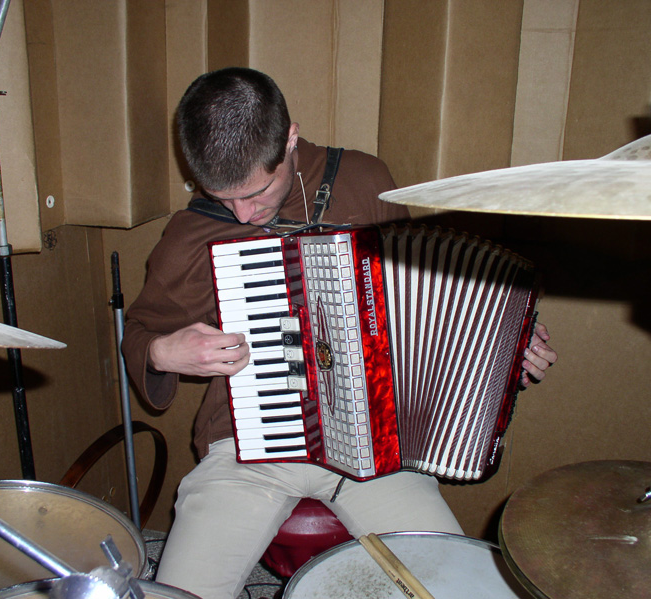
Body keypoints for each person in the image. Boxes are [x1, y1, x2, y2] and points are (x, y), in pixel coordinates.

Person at [122, 67, 557, 599]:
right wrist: (164, 352)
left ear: (290, 139)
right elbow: (141, 329)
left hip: (376, 446)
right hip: (247, 448)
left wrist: (506, 348)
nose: (244, 214)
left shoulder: (366, 180)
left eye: (257, 192)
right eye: (224, 198)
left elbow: (422, 297)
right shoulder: (193, 231)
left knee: (456, 586)